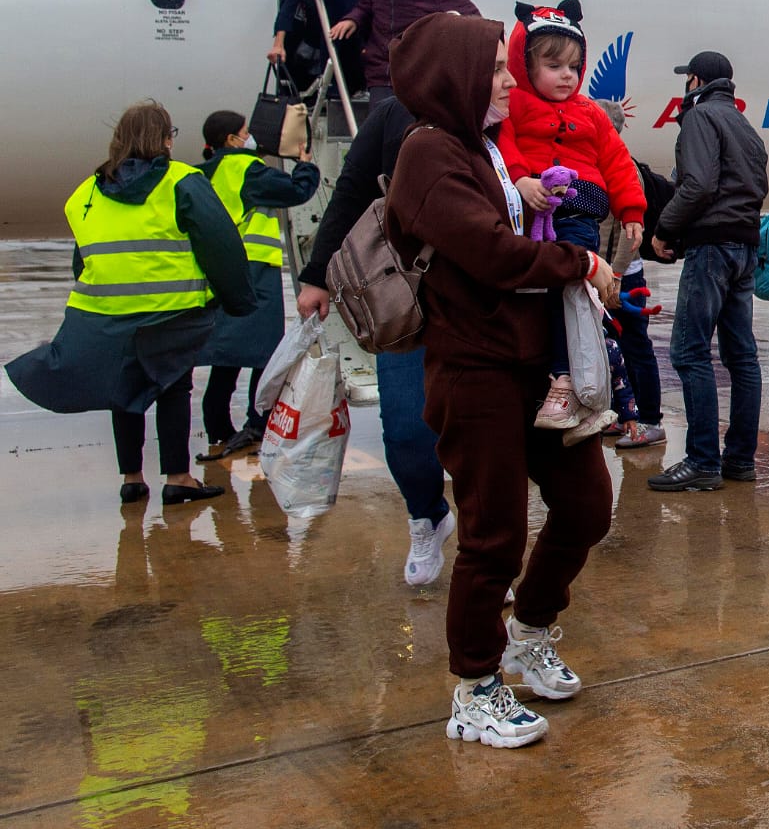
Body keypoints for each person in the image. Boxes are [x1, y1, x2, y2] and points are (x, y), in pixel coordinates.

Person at [384, 12, 620, 751]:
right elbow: (490, 253)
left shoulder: (484, 148)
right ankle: (475, 686)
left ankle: (529, 628)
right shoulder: (430, 153)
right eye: (492, 70)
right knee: (494, 534)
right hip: (475, 367)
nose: (506, 81)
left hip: (531, 364)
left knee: (587, 505)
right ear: (454, 77)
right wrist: (577, 263)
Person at [8, 102, 257, 507]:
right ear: (164, 139)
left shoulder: (88, 191)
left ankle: (132, 478)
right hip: (173, 310)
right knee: (173, 385)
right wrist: (238, 300)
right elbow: (220, 245)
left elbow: (83, 258)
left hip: (108, 315)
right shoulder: (182, 181)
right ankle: (178, 478)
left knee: (126, 390)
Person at [297, 93, 456, 587]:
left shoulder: (490, 112)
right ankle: (427, 515)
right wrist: (316, 273)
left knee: (482, 437)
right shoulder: (393, 114)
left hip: (477, 302)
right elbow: (349, 193)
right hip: (402, 301)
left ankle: (486, 556)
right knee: (407, 431)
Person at [497, 0, 647, 437]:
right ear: (525, 66)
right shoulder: (516, 106)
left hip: (580, 211)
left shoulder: (589, 113)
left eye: (574, 66)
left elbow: (617, 162)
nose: (567, 75)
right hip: (538, 210)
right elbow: (505, 147)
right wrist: (521, 180)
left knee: (574, 295)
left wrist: (632, 211)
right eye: (554, 65)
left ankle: (568, 382)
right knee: (544, 296)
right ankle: (560, 382)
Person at [649, 52, 769, 492]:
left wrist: (664, 230)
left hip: (713, 248)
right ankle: (739, 460)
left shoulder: (700, 118)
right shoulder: (745, 126)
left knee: (689, 351)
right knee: (742, 357)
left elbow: (697, 184)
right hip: (744, 247)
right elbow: (755, 187)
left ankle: (702, 460)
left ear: (695, 80)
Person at [193, 109, 321, 461]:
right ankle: (256, 422)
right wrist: (305, 163)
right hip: (253, 271)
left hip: (219, 270)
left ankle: (218, 427)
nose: (251, 138)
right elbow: (296, 190)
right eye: (245, 132)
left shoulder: (202, 172)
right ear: (232, 140)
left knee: (226, 354)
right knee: (264, 351)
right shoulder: (246, 169)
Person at [327, 0, 479, 104]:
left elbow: (471, 17)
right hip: (381, 70)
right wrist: (352, 19)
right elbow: (366, 4)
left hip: (418, 70)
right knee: (382, 123)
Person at [594, 99, 665, 450]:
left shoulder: (620, 167)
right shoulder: (598, 163)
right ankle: (624, 416)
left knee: (636, 348)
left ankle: (649, 419)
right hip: (605, 273)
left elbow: (628, 229)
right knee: (613, 348)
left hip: (622, 277)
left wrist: (617, 274)